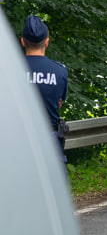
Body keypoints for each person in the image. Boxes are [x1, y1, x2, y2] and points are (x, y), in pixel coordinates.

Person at [21, 14, 69, 163]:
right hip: (50, 141)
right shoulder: (60, 71)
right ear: (47, 42)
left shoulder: (9, 69)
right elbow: (59, 102)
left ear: (23, 41)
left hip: (18, 138)